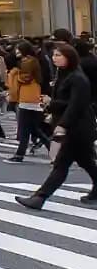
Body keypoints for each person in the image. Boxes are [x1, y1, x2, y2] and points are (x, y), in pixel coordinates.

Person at [14, 42, 97, 207]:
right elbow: (66, 102)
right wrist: (51, 105)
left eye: (59, 55)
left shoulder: (77, 78)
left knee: (61, 164)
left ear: (70, 57)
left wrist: (62, 123)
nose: (54, 58)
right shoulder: (64, 74)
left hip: (77, 127)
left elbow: (76, 105)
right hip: (74, 126)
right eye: (54, 55)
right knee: (86, 161)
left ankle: (40, 197)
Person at [4, 42, 47, 163]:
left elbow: (25, 78)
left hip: (27, 96)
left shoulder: (28, 62)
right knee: (32, 127)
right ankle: (51, 148)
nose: (16, 52)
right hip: (31, 95)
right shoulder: (32, 60)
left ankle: (19, 155)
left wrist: (16, 75)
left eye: (18, 50)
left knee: (25, 127)